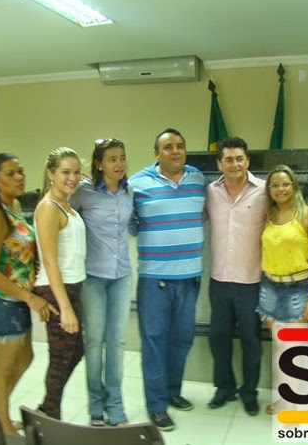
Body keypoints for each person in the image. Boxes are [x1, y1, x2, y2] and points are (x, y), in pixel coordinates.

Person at [129, 128, 206, 431]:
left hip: (190, 277)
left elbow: (202, 214)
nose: (175, 151)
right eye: (168, 147)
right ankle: (156, 406)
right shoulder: (137, 183)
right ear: (156, 153)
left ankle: (173, 391)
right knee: (154, 342)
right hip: (155, 279)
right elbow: (128, 222)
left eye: (180, 146)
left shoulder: (198, 179)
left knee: (182, 340)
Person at [0, 153, 54, 435]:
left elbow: (18, 253)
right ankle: (1, 424)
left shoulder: (15, 205)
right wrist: (30, 297)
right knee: (5, 365)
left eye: (20, 171)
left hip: (17, 297)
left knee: (25, 357)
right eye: (10, 174)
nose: (19, 177)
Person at [70, 138, 133, 427]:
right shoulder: (83, 192)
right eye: (112, 159)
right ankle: (96, 404)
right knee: (94, 341)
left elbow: (134, 224)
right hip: (93, 277)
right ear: (99, 164)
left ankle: (115, 405)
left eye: (122, 158)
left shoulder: (129, 191)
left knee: (117, 342)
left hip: (121, 276)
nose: (119, 164)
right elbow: (60, 214)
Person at [256, 164, 308, 415]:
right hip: (270, 287)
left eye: (285, 184)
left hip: (298, 289)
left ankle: (294, 404)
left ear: (294, 186)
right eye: (275, 185)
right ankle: (286, 399)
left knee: (293, 351)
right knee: (279, 348)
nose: (280, 189)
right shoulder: (268, 216)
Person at [205, 137, 266, 416]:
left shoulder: (264, 191)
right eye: (228, 159)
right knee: (218, 337)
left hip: (251, 282)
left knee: (251, 340)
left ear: (247, 160)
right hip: (219, 280)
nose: (235, 164)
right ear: (220, 163)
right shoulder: (211, 191)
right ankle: (224, 388)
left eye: (240, 158)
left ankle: (249, 392)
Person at [33, 147, 86, 420]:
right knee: (61, 357)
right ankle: (49, 416)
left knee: (74, 352)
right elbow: (50, 261)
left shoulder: (66, 204)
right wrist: (65, 308)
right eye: (65, 172)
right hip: (57, 290)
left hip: (72, 288)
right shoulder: (48, 207)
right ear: (50, 174)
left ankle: (46, 409)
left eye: (76, 172)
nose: (72, 178)